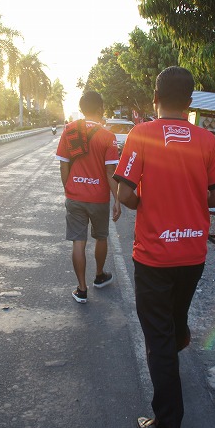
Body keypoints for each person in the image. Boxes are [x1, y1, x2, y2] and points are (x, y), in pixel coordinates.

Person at [114, 66, 215, 428]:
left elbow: (124, 192)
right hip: (192, 254)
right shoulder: (207, 140)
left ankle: (168, 422)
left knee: (158, 340)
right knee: (175, 317)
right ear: (190, 102)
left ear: (155, 98)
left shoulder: (142, 135)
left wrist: (149, 201)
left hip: (153, 256)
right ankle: (178, 338)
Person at [55, 91, 121, 304]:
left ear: (82, 108)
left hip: (75, 196)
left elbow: (63, 164)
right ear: (101, 109)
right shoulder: (107, 137)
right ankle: (99, 276)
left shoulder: (69, 130)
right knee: (101, 237)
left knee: (78, 242)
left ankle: (81, 290)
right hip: (99, 198)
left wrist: (69, 188)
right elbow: (111, 173)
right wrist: (117, 199)